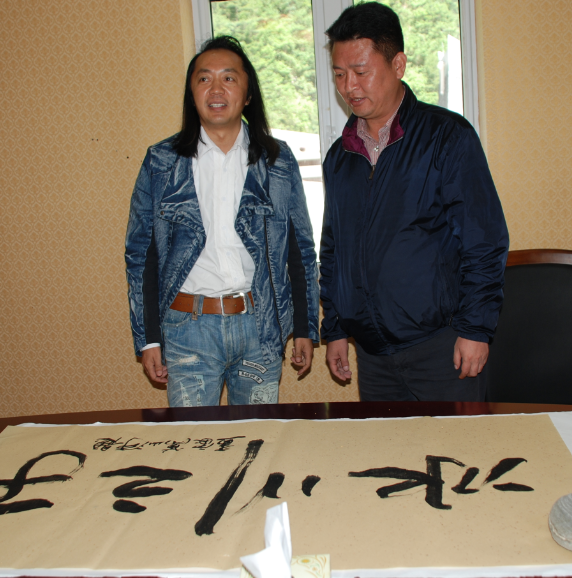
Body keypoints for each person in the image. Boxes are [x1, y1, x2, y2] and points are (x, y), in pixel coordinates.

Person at [320, 2, 509, 402]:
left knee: (458, 443)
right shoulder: (340, 156)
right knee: (383, 445)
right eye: (339, 74)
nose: (349, 86)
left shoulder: (447, 137)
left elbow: (484, 241)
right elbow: (334, 249)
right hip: (373, 355)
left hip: (443, 348)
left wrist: (475, 329)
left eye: (360, 72)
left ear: (398, 64)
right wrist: (335, 329)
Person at [125, 36, 319, 407]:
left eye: (229, 78)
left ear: (248, 94)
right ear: (192, 93)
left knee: (259, 436)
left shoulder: (277, 161)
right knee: (194, 438)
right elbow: (141, 254)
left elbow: (299, 251)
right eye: (204, 79)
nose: (216, 89)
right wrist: (148, 338)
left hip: (260, 328)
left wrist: (304, 327)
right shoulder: (162, 162)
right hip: (187, 330)